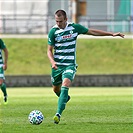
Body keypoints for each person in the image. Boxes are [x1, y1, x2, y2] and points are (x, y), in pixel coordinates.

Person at [47, 9, 124, 124]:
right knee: (56, 89)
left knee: (65, 84)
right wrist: (53, 62)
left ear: (66, 19)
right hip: (57, 66)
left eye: (60, 21)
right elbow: (49, 50)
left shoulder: (74, 28)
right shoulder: (53, 31)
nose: (58, 24)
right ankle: (65, 98)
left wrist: (111, 34)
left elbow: (92, 32)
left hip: (70, 65)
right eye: (57, 21)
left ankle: (58, 114)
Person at [0, 39, 8, 104]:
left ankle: (5, 94)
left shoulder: (0, 41)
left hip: (0, 65)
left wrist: (5, 63)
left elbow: (6, 51)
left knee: (0, 82)